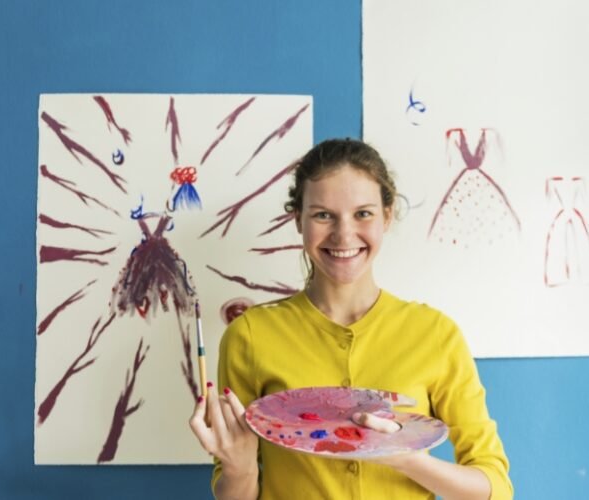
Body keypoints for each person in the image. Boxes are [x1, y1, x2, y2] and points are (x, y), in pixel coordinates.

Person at [190, 138, 513, 499]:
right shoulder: (249, 335)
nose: (344, 235)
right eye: (322, 215)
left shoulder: (436, 334)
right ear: (298, 219)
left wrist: (406, 458)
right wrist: (240, 467)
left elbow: (495, 489)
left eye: (363, 214)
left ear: (386, 216)